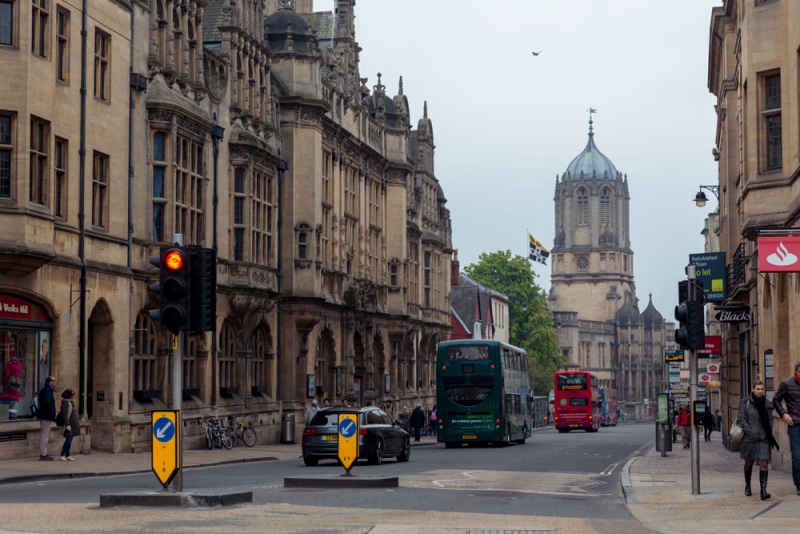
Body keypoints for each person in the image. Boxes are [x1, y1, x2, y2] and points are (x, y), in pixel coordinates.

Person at [738, 380, 779, 500]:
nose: (760, 391)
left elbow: (770, 419)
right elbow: (742, 419)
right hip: (749, 438)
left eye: (762, 389)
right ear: (753, 389)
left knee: (764, 463)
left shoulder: (767, 403)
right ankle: (748, 486)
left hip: (764, 438)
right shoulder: (745, 402)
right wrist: (750, 433)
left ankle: (763, 491)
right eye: (758, 389)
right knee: (748, 463)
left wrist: (768, 432)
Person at [773, 360, 800, 496]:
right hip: (795, 425)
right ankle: (799, 485)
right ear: (796, 371)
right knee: (797, 457)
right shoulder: (787, 384)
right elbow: (776, 400)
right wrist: (784, 414)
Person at [37, 376, 57, 461]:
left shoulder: (46, 390)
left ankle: (44, 453)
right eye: (54, 381)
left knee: (44, 434)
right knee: (45, 435)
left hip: (44, 415)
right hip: (46, 415)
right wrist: (52, 412)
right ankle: (43, 454)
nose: (56, 382)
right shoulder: (47, 391)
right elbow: (48, 403)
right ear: (50, 382)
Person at [59, 389, 79, 461]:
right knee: (68, 439)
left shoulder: (71, 402)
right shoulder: (65, 403)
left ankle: (68, 454)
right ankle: (62, 454)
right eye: (72, 394)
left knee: (70, 440)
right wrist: (67, 424)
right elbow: (64, 414)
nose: (73, 396)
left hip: (73, 424)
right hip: (68, 423)